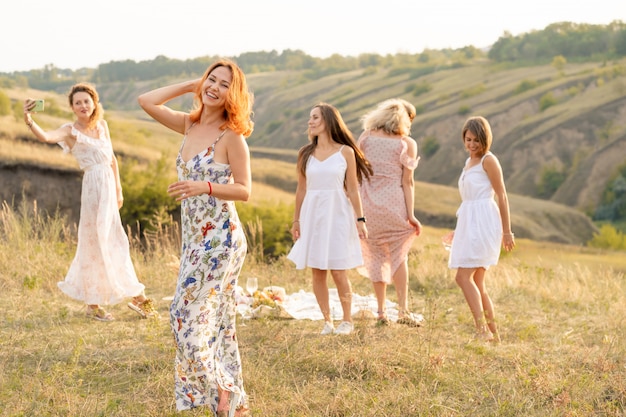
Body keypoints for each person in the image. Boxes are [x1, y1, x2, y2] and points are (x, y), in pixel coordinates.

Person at [138, 58, 253, 417]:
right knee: (213, 319)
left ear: (233, 95)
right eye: (211, 80)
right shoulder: (188, 125)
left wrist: (204, 185)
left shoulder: (230, 136)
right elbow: (146, 101)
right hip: (194, 240)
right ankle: (230, 399)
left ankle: (223, 390)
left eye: (223, 84)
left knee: (182, 315)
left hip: (221, 239)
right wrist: (192, 84)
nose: (215, 88)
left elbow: (244, 190)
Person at [22, 83, 157, 322]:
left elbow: (112, 159)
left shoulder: (103, 126)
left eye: (87, 101)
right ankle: (100, 304)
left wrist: (119, 188)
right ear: (72, 107)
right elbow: (46, 137)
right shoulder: (69, 131)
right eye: (78, 103)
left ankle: (135, 296)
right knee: (93, 243)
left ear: (94, 103)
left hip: (108, 187)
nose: (83, 106)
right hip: (93, 189)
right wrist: (29, 119)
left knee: (116, 240)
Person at [287, 102, 373, 336]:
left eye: (315, 117)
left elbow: (353, 189)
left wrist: (360, 219)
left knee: (338, 269)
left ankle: (347, 320)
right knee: (317, 271)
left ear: (328, 120)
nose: (310, 121)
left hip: (338, 213)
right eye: (310, 117)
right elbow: (301, 190)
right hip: (312, 214)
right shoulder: (305, 153)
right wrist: (296, 221)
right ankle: (327, 321)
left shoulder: (345, 152)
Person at [446, 116, 515, 343]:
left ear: (485, 139)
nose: (472, 144)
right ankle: (494, 335)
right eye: (468, 139)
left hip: (485, 222)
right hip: (469, 222)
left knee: (462, 277)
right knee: (477, 282)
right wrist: (460, 230)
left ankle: (481, 330)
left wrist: (507, 231)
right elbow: (468, 200)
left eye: (476, 140)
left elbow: (502, 195)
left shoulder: (489, 160)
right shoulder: (468, 163)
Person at [356, 98, 423, 327]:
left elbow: (356, 173)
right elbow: (408, 182)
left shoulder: (366, 138)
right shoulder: (406, 144)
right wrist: (411, 215)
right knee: (398, 257)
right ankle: (403, 309)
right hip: (395, 204)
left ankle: (382, 311)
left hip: (369, 205)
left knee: (375, 256)